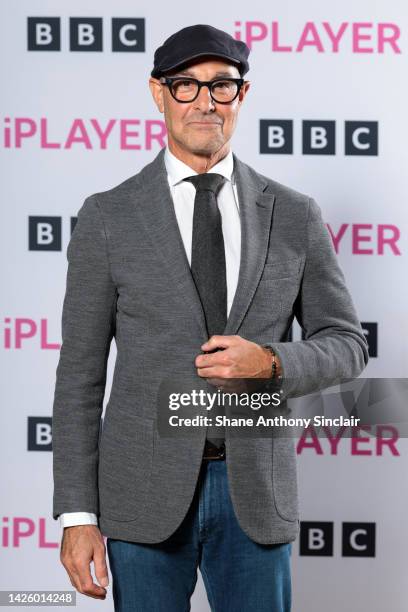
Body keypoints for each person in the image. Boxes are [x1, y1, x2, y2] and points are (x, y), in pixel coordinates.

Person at [52, 24, 369, 611]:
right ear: (158, 93)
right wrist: (77, 514)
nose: (204, 101)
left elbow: (347, 344)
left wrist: (271, 361)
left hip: (253, 491)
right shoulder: (108, 217)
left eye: (221, 86)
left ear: (241, 96)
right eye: (185, 85)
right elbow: (79, 377)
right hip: (141, 495)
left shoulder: (294, 214)